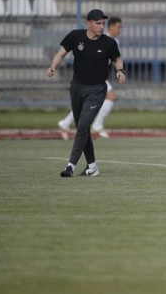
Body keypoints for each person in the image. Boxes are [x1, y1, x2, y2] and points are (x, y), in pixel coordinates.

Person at [47, 9, 125, 177]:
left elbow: (117, 59)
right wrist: (53, 66)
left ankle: (70, 166)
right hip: (77, 87)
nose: (101, 26)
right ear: (89, 23)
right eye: (98, 23)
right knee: (82, 128)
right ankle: (92, 167)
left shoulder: (109, 43)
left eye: (103, 23)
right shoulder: (76, 36)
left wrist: (120, 70)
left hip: (97, 89)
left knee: (83, 126)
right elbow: (61, 53)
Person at [57, 16, 123, 139]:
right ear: (112, 27)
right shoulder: (103, 39)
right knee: (110, 96)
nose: (120, 30)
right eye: (118, 27)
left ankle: (65, 123)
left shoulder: (114, 42)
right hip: (91, 76)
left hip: (99, 76)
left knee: (87, 103)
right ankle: (96, 125)